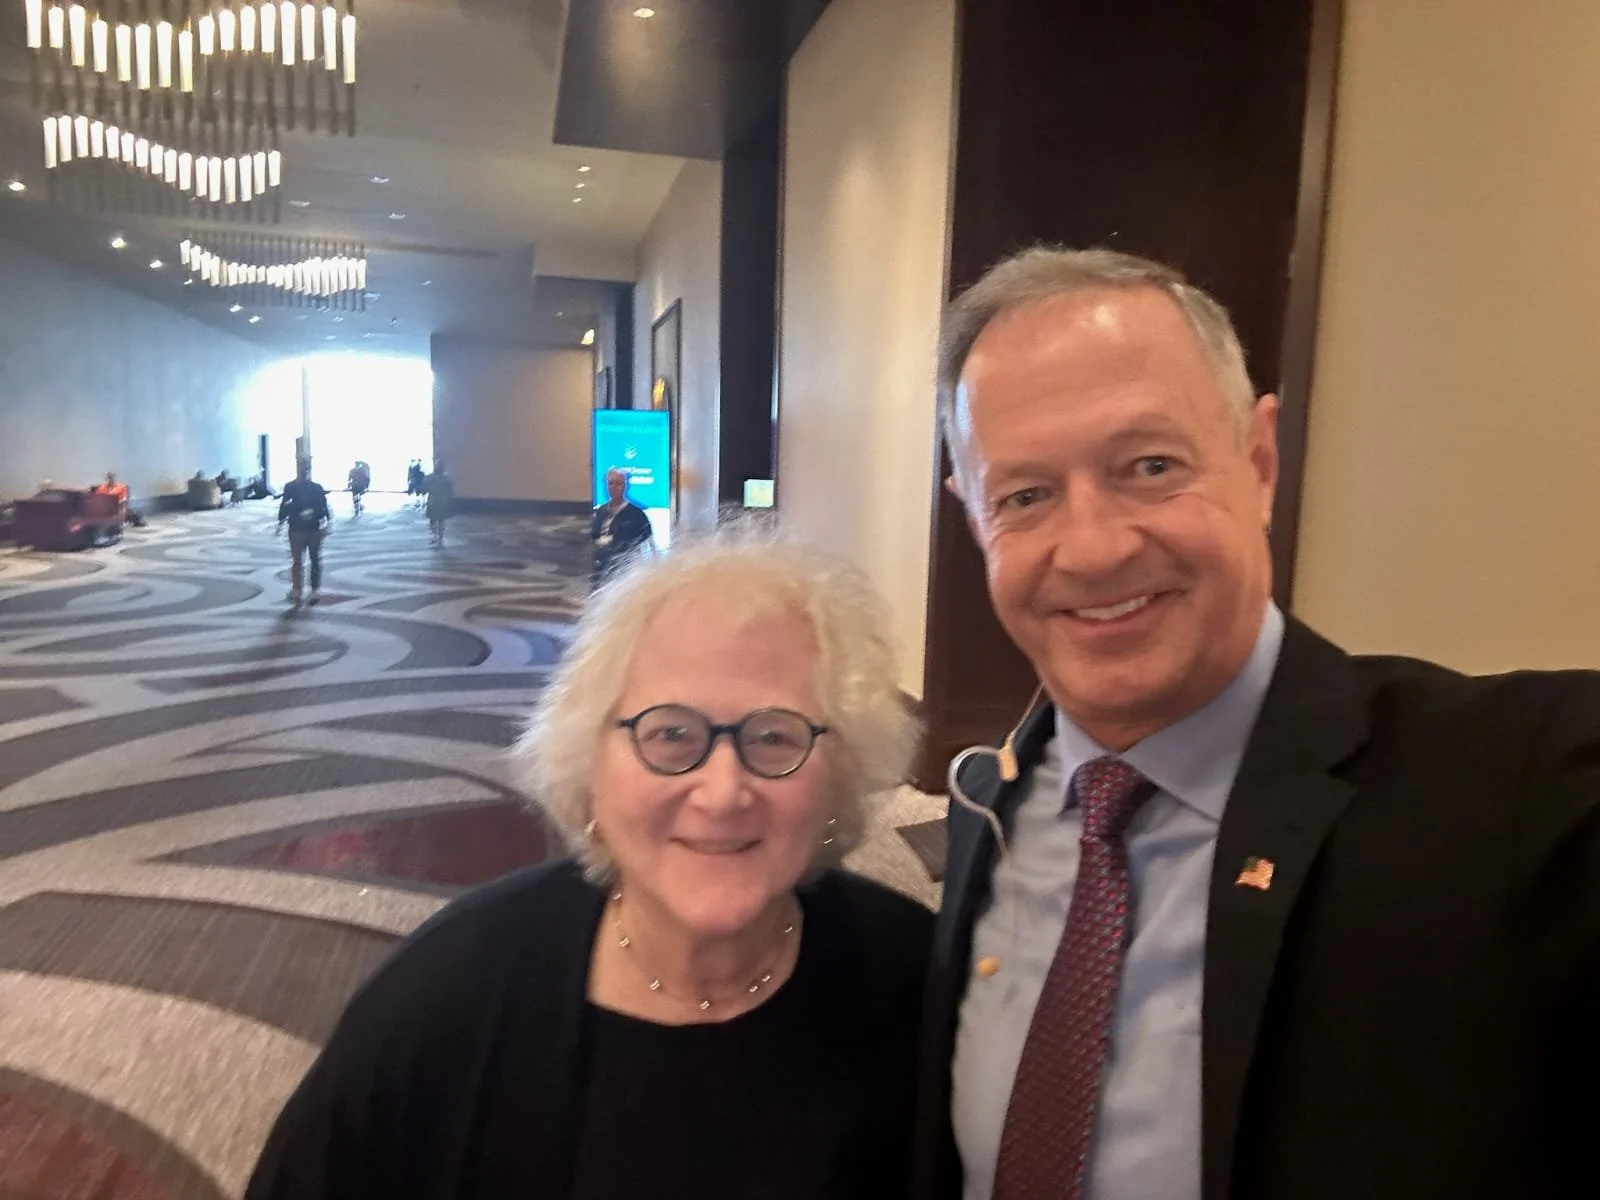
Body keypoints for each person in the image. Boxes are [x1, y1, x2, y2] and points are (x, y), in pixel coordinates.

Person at [914, 247, 1600, 1200]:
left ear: (1260, 460)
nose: (1096, 546)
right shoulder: (987, 810)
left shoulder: (1518, 789)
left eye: (1150, 467)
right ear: (974, 519)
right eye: (1025, 495)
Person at [245, 529, 932, 1199]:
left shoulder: (917, 977)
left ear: (840, 775)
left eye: (775, 737)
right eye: (670, 734)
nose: (723, 793)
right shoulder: (443, 999)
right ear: (589, 767)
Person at [277, 457, 331, 606]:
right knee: (301, 561)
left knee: (309, 560)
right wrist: (281, 521)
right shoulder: (293, 487)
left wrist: (325, 521)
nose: (304, 469)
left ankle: (308, 589)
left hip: (309, 528)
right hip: (299, 527)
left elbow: (323, 507)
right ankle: (299, 589)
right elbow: (285, 505)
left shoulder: (313, 487)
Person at [590, 466, 654, 587]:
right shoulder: (600, 511)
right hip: (601, 569)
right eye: (611, 483)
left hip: (624, 571)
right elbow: (594, 537)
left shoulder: (636, 515)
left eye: (618, 483)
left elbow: (647, 545)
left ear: (625, 486)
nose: (614, 488)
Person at [424, 458, 454, 547]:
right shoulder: (446, 479)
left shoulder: (429, 478)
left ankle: (434, 535)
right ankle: (441, 536)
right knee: (441, 520)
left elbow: (424, 487)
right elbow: (450, 491)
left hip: (432, 500)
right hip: (442, 501)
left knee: (432, 519)